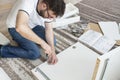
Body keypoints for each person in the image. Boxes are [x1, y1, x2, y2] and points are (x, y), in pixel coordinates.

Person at [0, 0, 65, 64]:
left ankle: (28, 41)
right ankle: (2, 50)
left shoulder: (49, 8)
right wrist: (43, 43)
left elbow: (48, 30)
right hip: (15, 28)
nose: (50, 19)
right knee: (34, 54)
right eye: (50, 16)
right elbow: (20, 27)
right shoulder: (27, 2)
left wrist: (52, 51)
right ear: (44, 6)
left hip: (32, 26)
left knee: (52, 42)